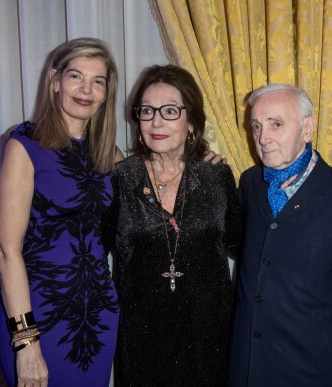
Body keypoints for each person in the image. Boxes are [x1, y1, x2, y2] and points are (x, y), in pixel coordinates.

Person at [102, 64, 242, 386]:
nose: (156, 122)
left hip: (209, 339)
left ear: (191, 120)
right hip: (141, 341)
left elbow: (245, 246)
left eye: (169, 111)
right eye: (147, 111)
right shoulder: (122, 179)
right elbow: (90, 248)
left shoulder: (216, 176)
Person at [0, 38, 122, 386]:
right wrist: (26, 344)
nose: (87, 89)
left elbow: (155, 192)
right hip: (37, 317)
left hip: (98, 316)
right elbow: (7, 249)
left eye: (98, 81)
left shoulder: (109, 153)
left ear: (107, 92)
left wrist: (200, 155)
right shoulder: (26, 144)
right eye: (76, 76)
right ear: (55, 81)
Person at [228, 84, 332, 386]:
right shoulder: (250, 183)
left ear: (307, 128)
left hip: (314, 368)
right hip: (248, 366)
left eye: (276, 124)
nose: (262, 139)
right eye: (256, 126)